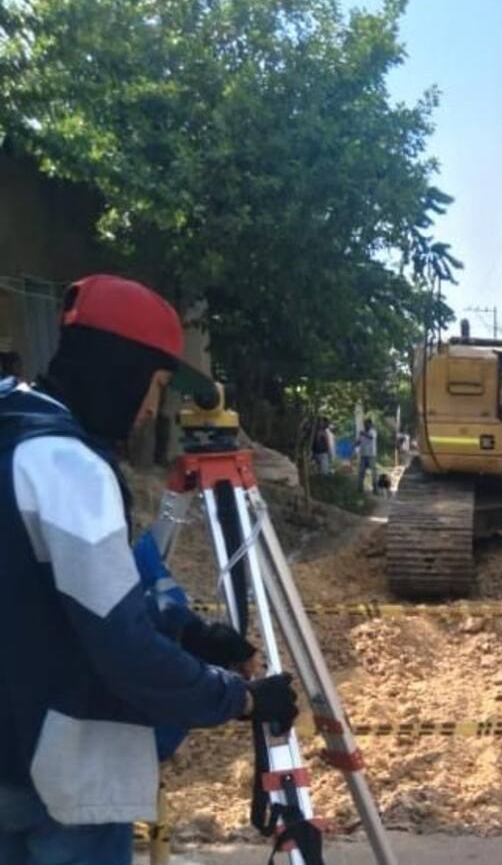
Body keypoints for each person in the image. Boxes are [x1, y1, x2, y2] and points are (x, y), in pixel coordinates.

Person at [0, 274, 298, 864]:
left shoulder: (14, 437)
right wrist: (240, 699)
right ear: (120, 368)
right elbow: (123, 649)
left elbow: (53, 598)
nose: (151, 408)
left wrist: (188, 631)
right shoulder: (66, 465)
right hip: (64, 779)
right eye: (155, 384)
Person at [356, 417, 378, 494]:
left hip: (371, 455)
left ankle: (375, 489)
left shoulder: (373, 431)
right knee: (361, 472)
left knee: (373, 473)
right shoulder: (362, 432)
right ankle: (359, 489)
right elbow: (358, 441)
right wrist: (354, 444)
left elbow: (371, 437)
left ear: (370, 424)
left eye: (367, 424)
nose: (366, 425)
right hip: (363, 455)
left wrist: (363, 434)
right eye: (365, 424)